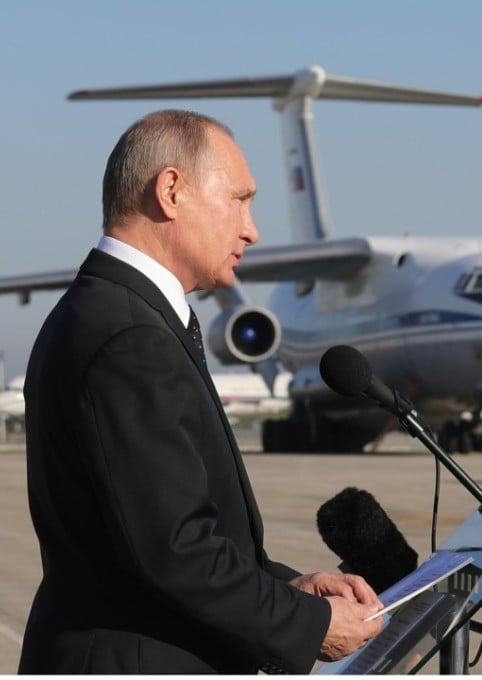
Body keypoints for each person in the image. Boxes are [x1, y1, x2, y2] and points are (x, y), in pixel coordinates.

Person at [18, 110, 383, 674]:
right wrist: (308, 626)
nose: (251, 229)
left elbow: (155, 538)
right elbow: (174, 551)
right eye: (239, 199)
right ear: (170, 191)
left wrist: (290, 588)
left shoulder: (112, 313)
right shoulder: (129, 336)